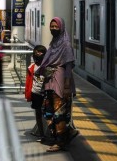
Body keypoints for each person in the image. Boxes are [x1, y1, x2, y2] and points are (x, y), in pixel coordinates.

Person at [35, 16, 79, 152]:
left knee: (59, 111)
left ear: (61, 27)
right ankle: (64, 134)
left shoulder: (65, 44)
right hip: (50, 81)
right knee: (48, 109)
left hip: (60, 81)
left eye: (56, 26)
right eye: (52, 26)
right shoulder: (54, 43)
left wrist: (66, 86)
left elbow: (68, 66)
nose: (53, 29)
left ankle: (60, 141)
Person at [25, 45, 47, 139]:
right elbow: (28, 81)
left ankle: (51, 134)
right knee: (38, 114)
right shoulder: (31, 67)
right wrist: (28, 93)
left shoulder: (47, 66)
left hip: (46, 94)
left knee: (47, 114)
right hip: (35, 93)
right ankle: (41, 134)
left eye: (41, 52)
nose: (38, 54)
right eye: (36, 52)